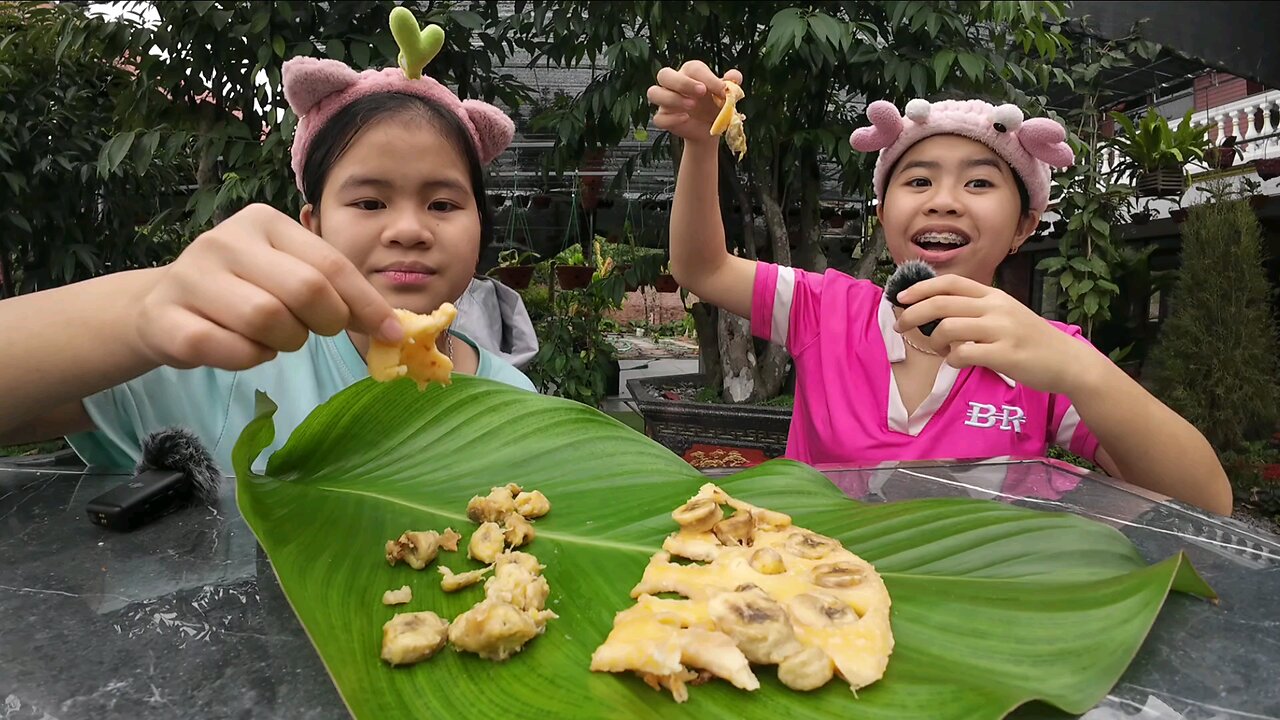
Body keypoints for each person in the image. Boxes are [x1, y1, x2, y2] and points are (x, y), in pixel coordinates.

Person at [647, 61, 1232, 515]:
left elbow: (1205, 505)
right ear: (883, 212)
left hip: (965, 622)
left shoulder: (1046, 355)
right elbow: (703, 269)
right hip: (813, 610)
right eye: (919, 180)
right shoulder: (823, 308)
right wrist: (701, 145)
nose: (944, 199)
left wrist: (1080, 367)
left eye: (979, 182)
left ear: (1024, 226)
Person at [0, 18, 535, 474]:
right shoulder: (228, 359)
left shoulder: (515, 406)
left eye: (443, 205)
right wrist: (148, 306)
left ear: (480, 227)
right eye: (369, 203)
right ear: (312, 226)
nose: (409, 229)